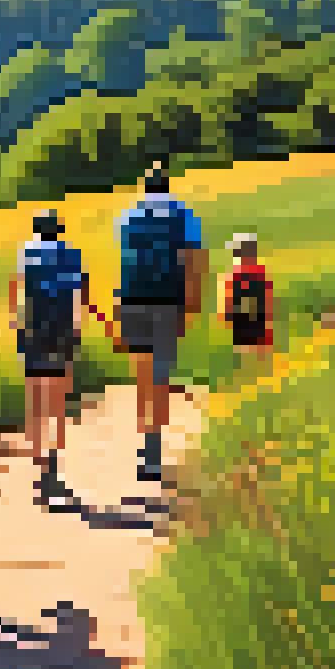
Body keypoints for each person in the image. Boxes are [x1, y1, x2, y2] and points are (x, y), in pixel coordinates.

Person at [113, 161, 204, 484]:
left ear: (145, 188)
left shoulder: (127, 216)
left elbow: (125, 260)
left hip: (132, 300)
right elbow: (195, 259)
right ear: (167, 185)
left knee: (143, 376)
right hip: (168, 301)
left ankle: (143, 449)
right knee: (161, 374)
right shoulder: (183, 214)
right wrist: (192, 302)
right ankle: (154, 453)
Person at [9, 208, 90, 510]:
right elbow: (81, 294)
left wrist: (16, 324)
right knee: (58, 402)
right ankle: (53, 470)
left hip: (32, 332)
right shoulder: (72, 254)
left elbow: (17, 293)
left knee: (35, 401)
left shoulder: (26, 254)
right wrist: (77, 329)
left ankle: (37, 467)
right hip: (62, 332)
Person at [223, 233, 279, 383]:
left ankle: (253, 381)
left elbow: (229, 301)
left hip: (247, 322)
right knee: (259, 358)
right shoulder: (257, 272)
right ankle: (261, 381)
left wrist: (228, 316)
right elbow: (268, 297)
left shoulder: (236, 274)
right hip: (254, 321)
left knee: (250, 358)